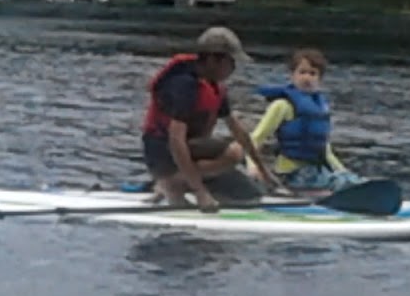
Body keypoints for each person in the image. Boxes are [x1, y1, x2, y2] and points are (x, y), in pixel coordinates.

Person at [140, 26, 287, 211]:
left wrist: (264, 171)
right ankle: (171, 183)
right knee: (234, 152)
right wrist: (200, 191)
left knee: (249, 195)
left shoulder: (213, 85)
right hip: (162, 152)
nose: (233, 69)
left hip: (190, 151)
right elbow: (176, 141)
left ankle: (178, 183)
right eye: (230, 62)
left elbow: (238, 131)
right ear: (212, 59)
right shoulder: (183, 85)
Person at [247, 48, 364, 192]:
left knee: (349, 180)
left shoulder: (321, 108)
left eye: (312, 73)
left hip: (315, 172)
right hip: (291, 175)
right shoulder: (283, 106)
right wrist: (253, 166)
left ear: (319, 79)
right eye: (302, 72)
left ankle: (357, 188)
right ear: (293, 75)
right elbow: (255, 138)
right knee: (343, 184)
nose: (306, 78)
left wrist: (343, 171)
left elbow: (325, 151)